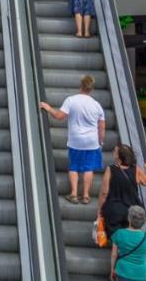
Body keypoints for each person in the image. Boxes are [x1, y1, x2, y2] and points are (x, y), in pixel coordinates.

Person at [39, 75, 106, 204]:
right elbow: (101, 127)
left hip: (76, 140)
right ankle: (86, 196)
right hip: (92, 141)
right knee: (88, 168)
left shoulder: (71, 100)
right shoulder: (97, 105)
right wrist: (100, 141)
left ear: (80, 86)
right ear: (91, 89)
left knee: (74, 166)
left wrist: (48, 108)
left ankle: (74, 194)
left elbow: (59, 116)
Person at [97, 144, 146, 239]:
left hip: (114, 210)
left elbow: (104, 193)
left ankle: (118, 252)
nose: (113, 153)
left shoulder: (110, 169)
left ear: (118, 157)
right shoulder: (136, 170)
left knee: (116, 238)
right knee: (130, 235)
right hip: (131, 211)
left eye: (115, 152)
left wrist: (100, 211)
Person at [112, 206, 146, 281]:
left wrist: (112, 269)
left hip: (123, 271)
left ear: (129, 219)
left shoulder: (119, 234)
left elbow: (114, 255)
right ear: (144, 221)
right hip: (141, 274)